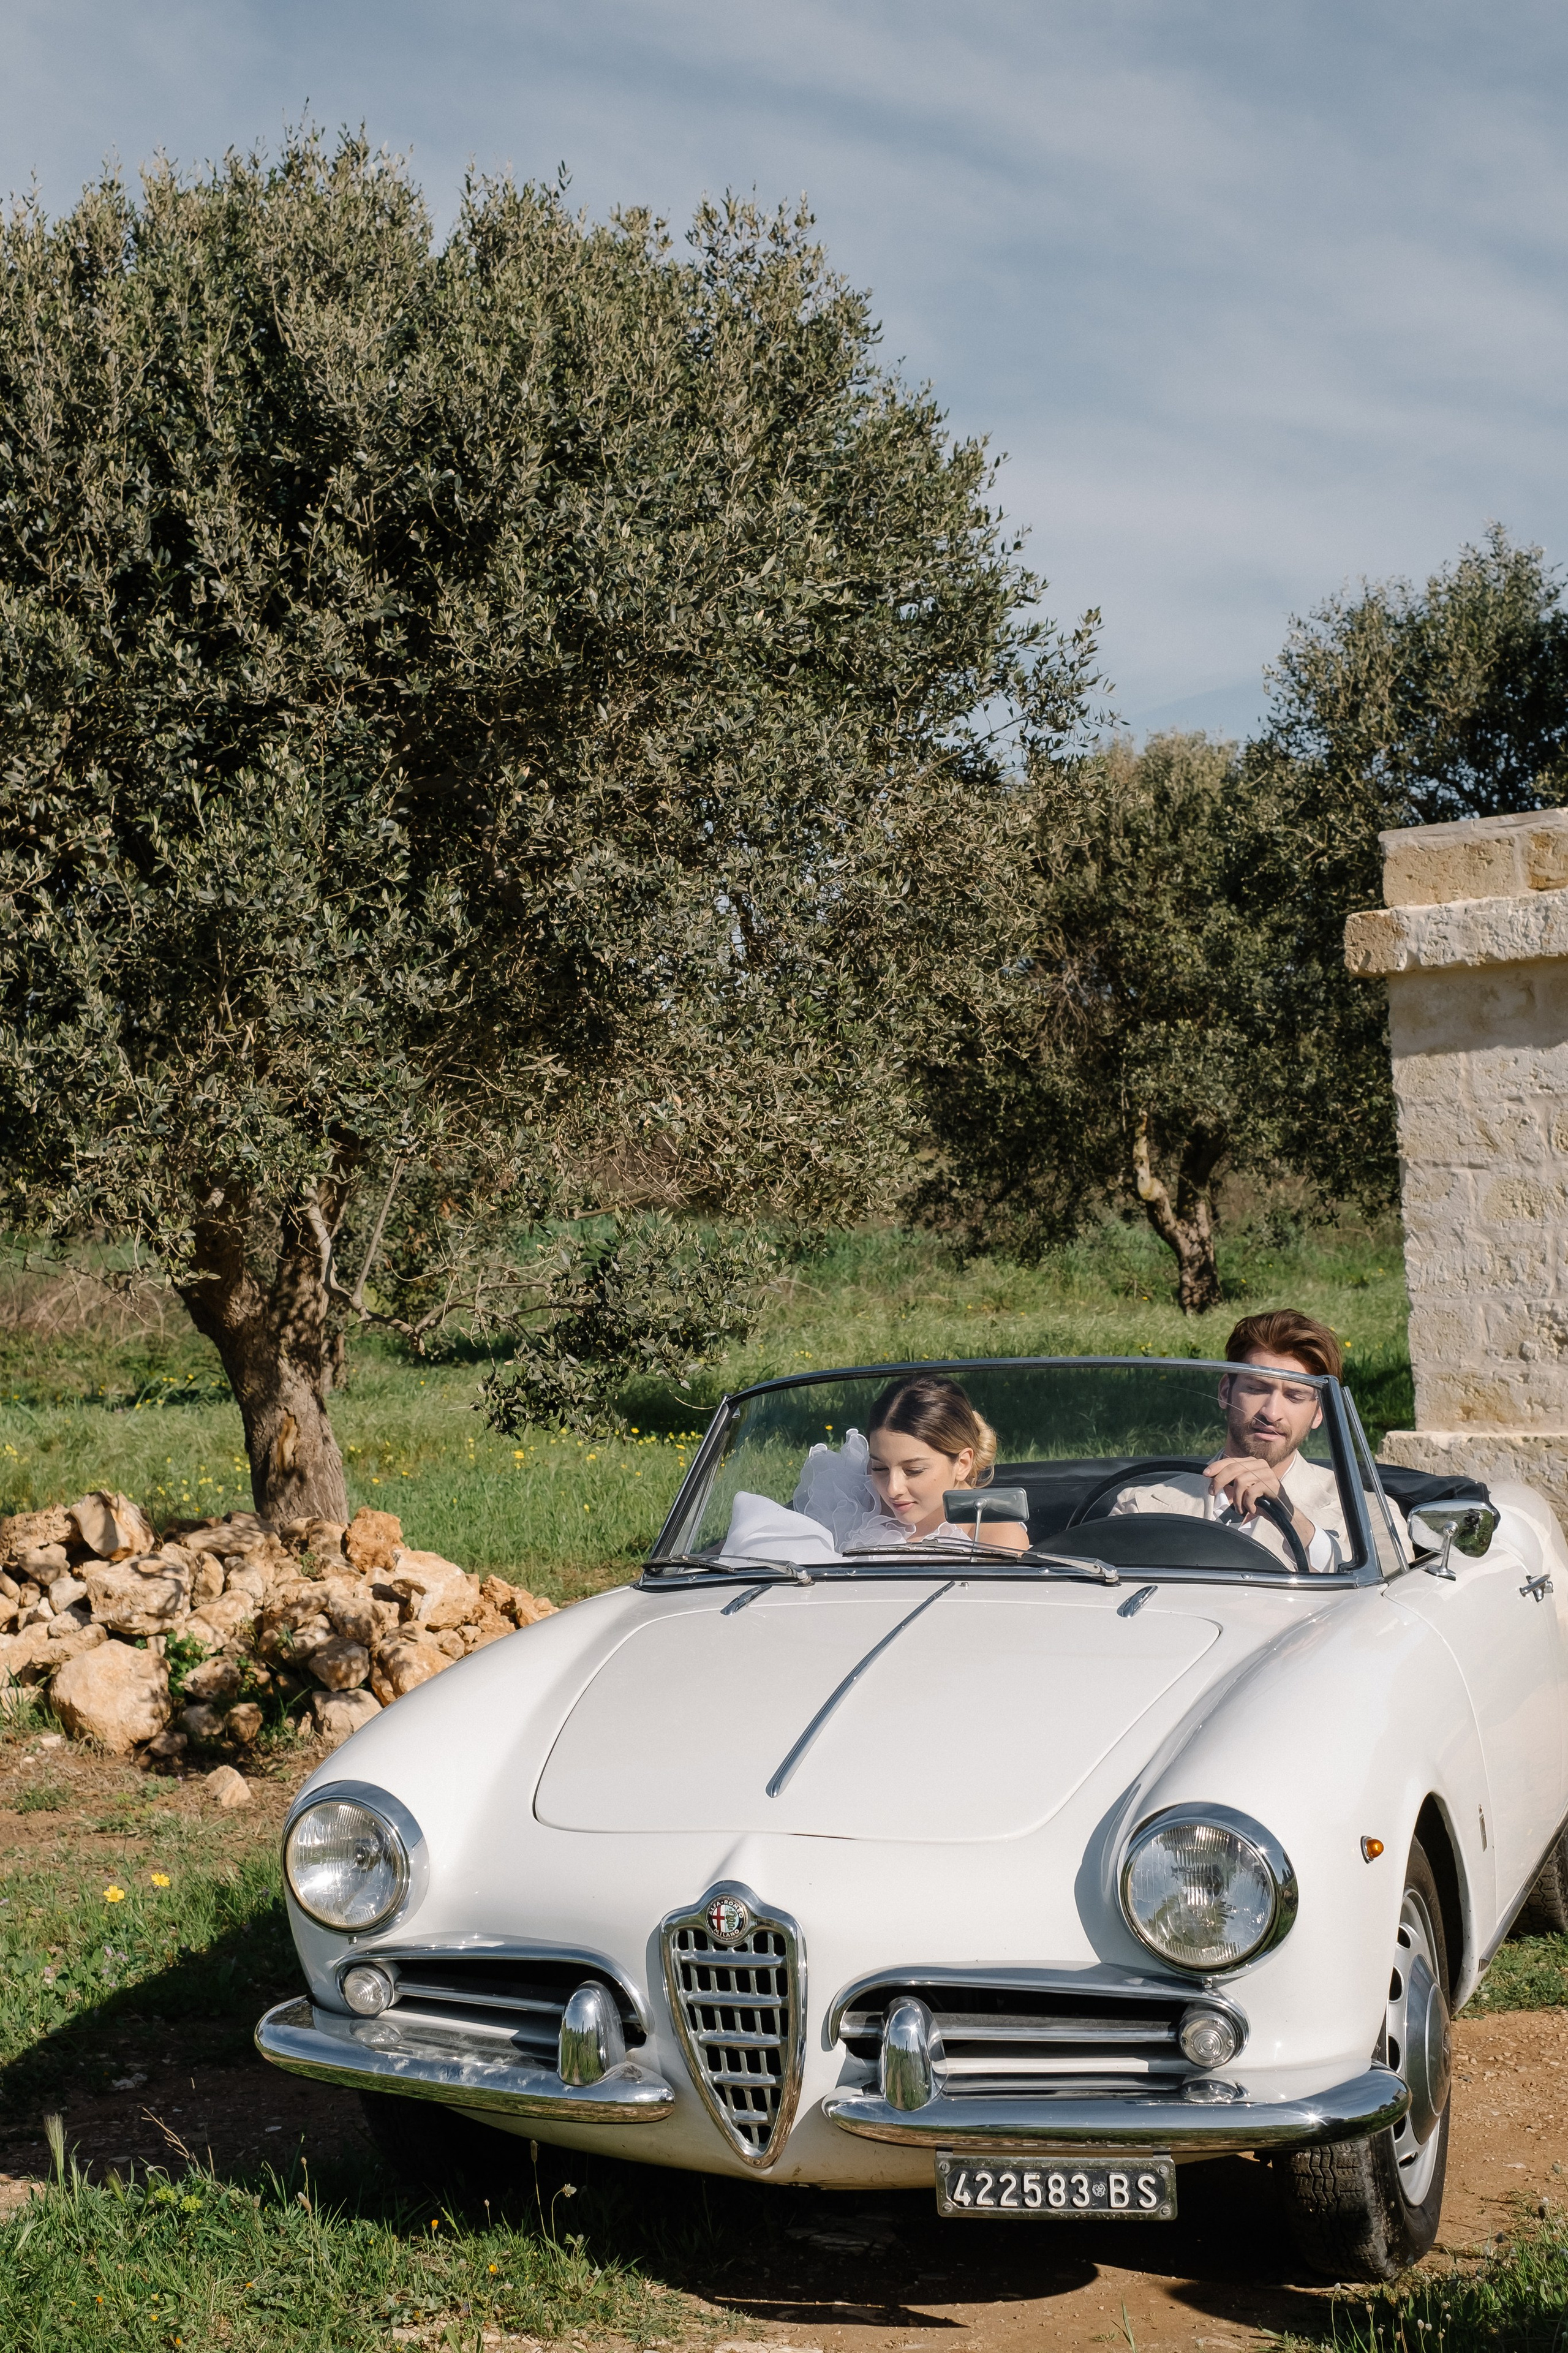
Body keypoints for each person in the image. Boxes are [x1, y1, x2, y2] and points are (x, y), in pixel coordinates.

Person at [1107, 1310, 1350, 1571]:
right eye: (1256, 1388)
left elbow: (1379, 1594)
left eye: (1295, 1396)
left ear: (1319, 1413)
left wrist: (1290, 1519)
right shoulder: (1141, 1507)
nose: (1272, 1413)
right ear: (1225, 1391)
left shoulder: (1365, 1512)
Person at [861, 1372, 1030, 1551]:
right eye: (880, 1468)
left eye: (914, 1470)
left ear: (963, 1463)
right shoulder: (855, 1499)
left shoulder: (995, 1540)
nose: (892, 1489)